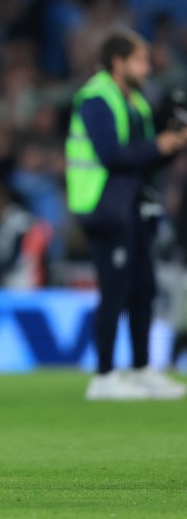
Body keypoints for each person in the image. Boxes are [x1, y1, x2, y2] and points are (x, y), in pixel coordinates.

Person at [65, 29, 187, 401]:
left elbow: (143, 161)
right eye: (141, 60)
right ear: (118, 62)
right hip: (104, 207)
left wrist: (171, 146)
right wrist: (157, 145)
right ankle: (102, 377)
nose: (148, 68)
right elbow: (111, 155)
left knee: (142, 290)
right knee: (115, 291)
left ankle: (141, 369)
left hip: (134, 207)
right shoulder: (96, 98)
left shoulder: (134, 101)